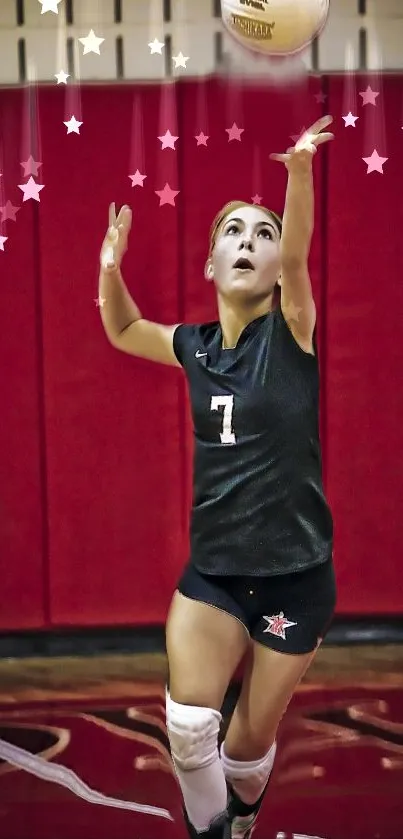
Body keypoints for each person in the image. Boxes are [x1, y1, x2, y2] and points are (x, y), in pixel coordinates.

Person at [98, 116, 335, 839]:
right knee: (189, 727)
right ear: (211, 264)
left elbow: (297, 260)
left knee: (243, 746)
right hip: (215, 574)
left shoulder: (291, 329)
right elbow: (123, 329)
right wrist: (109, 268)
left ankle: (244, 818)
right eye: (234, 231)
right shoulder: (197, 348)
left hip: (296, 576)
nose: (250, 243)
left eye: (262, 234)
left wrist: (296, 174)